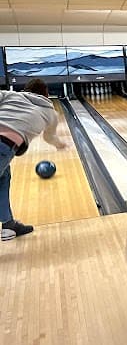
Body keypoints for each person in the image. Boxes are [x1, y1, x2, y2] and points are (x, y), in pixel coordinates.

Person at [0, 79, 67, 240]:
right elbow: (50, 137)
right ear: (47, 94)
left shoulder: (10, 95)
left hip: (5, 148)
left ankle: (8, 225)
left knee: (4, 177)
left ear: (25, 90)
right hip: (4, 146)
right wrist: (60, 145)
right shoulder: (50, 113)